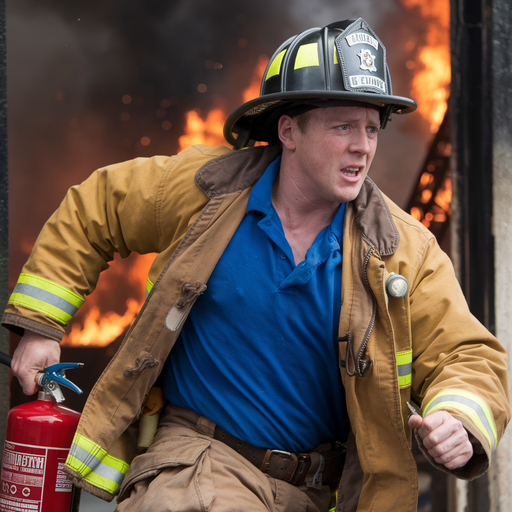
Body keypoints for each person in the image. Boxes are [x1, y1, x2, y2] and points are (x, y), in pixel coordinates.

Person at [3, 17, 510, 512]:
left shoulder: (403, 251)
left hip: (327, 491)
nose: (363, 146)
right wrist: (41, 327)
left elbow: (467, 354)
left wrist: (457, 418)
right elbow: (96, 207)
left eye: (372, 129)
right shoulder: (206, 191)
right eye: (343, 126)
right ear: (288, 130)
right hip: (201, 463)